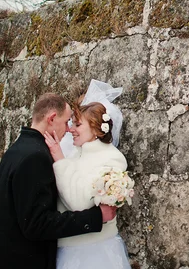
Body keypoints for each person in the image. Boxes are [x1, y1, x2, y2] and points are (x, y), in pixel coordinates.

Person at [0, 93, 117, 269]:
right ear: (52, 118)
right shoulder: (36, 157)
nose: (69, 129)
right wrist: (96, 217)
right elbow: (36, 224)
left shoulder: (17, 149)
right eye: (67, 121)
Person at [43, 80, 132, 269]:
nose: (71, 129)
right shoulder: (75, 154)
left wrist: (59, 158)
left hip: (92, 252)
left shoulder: (112, 159)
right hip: (66, 247)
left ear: (95, 128)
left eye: (77, 124)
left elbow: (80, 203)